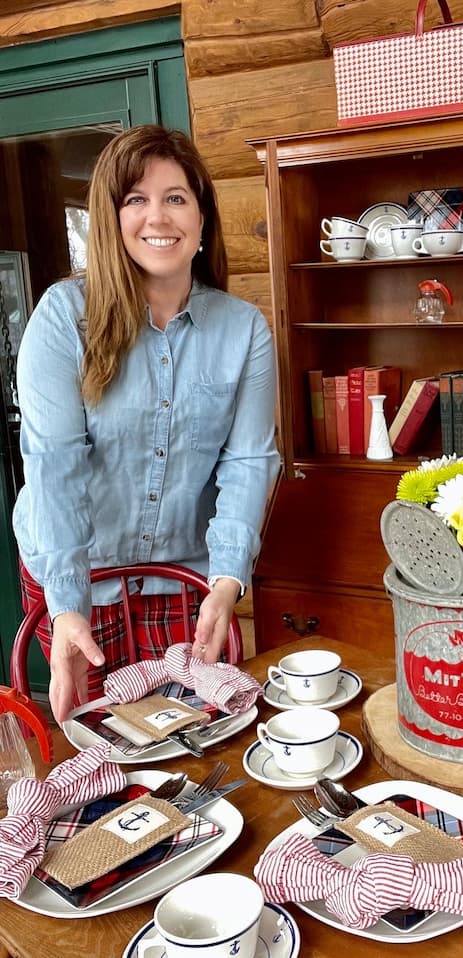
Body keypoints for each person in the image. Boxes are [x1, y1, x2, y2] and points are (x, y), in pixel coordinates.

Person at [12, 124, 281, 725]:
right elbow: (55, 466)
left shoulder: (243, 330)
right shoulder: (63, 318)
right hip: (74, 574)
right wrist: (68, 608)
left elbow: (248, 463)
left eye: (176, 197)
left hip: (185, 580)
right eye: (136, 199)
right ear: (112, 217)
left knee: (187, 740)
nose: (157, 216)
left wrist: (229, 579)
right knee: (94, 752)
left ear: (203, 217)